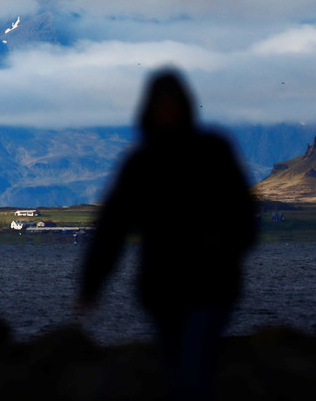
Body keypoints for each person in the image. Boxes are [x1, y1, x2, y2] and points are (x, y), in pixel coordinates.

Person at [77, 68, 256, 401]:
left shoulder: (211, 151)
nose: (167, 112)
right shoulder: (142, 163)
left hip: (211, 281)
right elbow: (112, 228)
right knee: (180, 364)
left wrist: (229, 241)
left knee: (191, 369)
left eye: (172, 105)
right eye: (162, 105)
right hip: (162, 289)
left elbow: (242, 210)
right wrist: (91, 284)